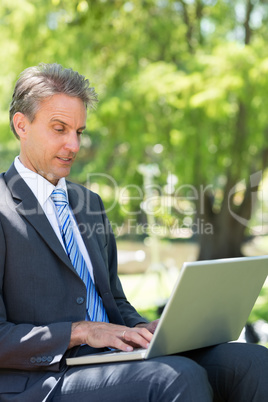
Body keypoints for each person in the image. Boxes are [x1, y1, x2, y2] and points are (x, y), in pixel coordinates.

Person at [0, 62, 267, 402]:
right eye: (59, 128)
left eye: (79, 131)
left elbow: (115, 302)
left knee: (253, 361)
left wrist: (144, 328)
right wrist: (80, 331)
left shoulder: (88, 203)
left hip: (113, 358)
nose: (74, 145)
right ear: (21, 125)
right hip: (44, 378)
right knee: (176, 378)